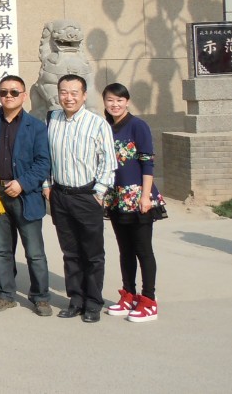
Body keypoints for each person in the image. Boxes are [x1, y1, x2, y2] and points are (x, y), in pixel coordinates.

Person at [45, 74, 116, 323]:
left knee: (92, 253)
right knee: (70, 252)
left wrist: (99, 192)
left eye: (74, 92)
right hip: (60, 195)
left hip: (87, 196)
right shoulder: (52, 119)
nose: (69, 97)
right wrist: (47, 185)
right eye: (64, 92)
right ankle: (75, 300)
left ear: (84, 95)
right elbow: (46, 156)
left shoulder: (98, 124)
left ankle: (93, 302)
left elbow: (108, 161)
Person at [0, 76, 53, 317]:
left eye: (14, 92)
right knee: (1, 250)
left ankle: (40, 297)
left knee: (34, 253)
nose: (8, 96)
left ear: (24, 96)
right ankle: (5, 294)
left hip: (26, 195)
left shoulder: (36, 126)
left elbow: (43, 162)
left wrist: (22, 183)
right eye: (4, 92)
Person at [102, 83, 165, 323]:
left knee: (143, 249)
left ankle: (149, 300)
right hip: (116, 197)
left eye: (119, 100)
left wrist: (145, 196)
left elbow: (147, 162)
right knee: (125, 250)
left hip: (138, 196)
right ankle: (129, 294)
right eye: (110, 100)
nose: (115, 104)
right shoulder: (106, 127)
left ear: (127, 101)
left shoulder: (138, 126)